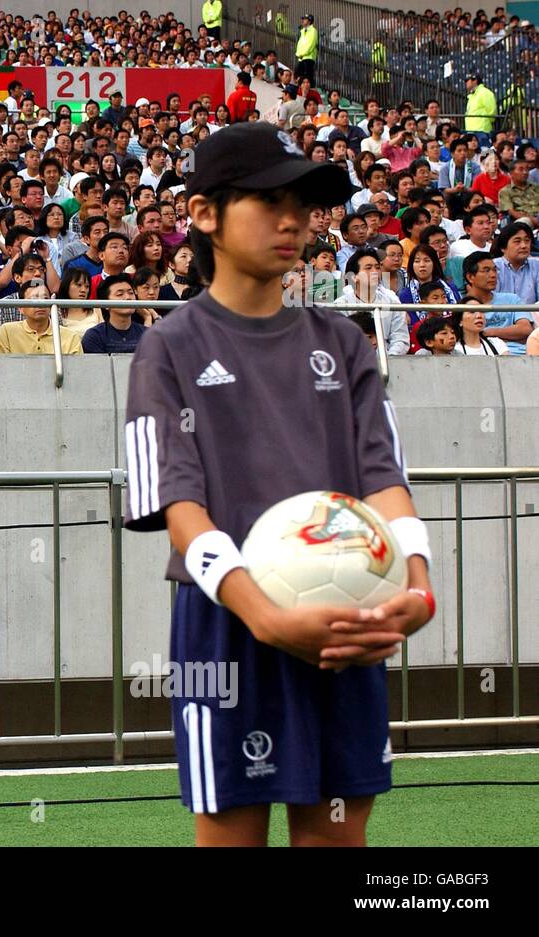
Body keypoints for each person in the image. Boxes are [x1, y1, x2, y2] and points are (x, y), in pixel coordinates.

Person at [123, 122, 432, 847]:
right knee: (232, 837)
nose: (292, 219)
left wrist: (416, 585)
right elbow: (180, 510)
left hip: (348, 621)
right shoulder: (165, 348)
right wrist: (262, 612)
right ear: (204, 214)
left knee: (335, 836)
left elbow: (384, 478)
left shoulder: (345, 343)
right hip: (229, 629)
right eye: (267, 200)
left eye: (301, 202)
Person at [0, 279, 83, 355]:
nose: (41, 304)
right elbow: (3, 370)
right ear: (20, 307)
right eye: (34, 299)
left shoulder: (70, 337)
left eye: (45, 299)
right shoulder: (7, 332)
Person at [83, 275, 148, 353]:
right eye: (120, 294)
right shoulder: (95, 336)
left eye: (131, 293)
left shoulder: (147, 334)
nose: (128, 297)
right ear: (105, 304)